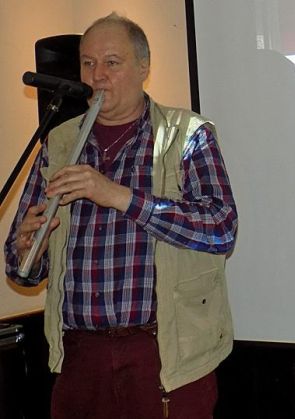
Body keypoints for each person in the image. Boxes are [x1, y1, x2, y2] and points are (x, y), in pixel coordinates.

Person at [4, 13, 237, 419]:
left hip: (164, 355)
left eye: (112, 62)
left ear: (144, 67)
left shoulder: (187, 135)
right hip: (80, 357)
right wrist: (28, 250)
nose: (97, 76)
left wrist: (118, 196)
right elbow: (20, 269)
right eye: (88, 63)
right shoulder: (59, 143)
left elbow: (221, 228)